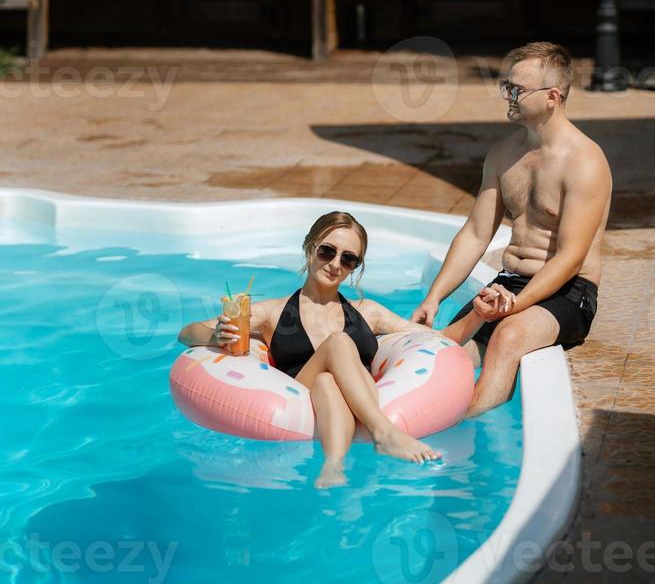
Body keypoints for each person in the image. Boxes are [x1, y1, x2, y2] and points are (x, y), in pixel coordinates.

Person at [178, 210, 468, 489]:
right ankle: (384, 433)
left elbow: (435, 339)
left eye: (348, 259)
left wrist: (480, 314)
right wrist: (217, 335)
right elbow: (187, 333)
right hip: (300, 396)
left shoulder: (368, 312)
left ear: (356, 267)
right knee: (339, 342)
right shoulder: (274, 312)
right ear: (309, 248)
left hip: (344, 394)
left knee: (328, 380)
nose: (335, 264)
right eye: (327, 251)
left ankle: (334, 464)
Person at [411, 41, 612, 418]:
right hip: (510, 284)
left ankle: (460, 437)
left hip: (569, 293)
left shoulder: (584, 162)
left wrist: (514, 308)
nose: (509, 96)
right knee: (442, 353)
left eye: (518, 89)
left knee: (508, 337)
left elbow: (570, 260)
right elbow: (475, 233)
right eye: (507, 86)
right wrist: (434, 297)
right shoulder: (504, 155)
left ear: (552, 97)